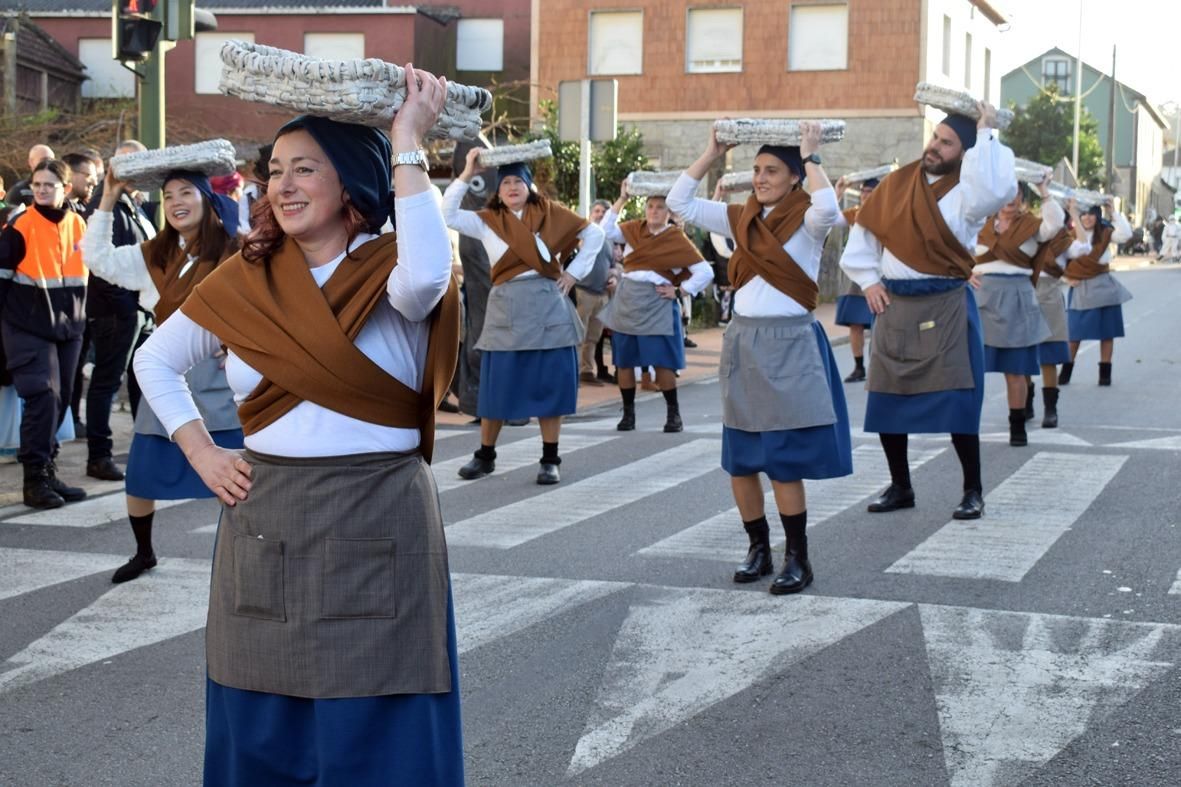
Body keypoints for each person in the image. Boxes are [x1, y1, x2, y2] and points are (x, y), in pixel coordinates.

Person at [132, 66, 463, 785]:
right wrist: (202, 452)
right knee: (264, 722)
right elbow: (154, 361)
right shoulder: (246, 278)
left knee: (378, 725)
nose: (281, 185)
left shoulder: (392, 270)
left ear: (350, 183)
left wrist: (406, 138)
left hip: (378, 510)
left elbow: (431, 273)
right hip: (266, 514)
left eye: (304, 169)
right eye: (274, 169)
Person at [668, 121, 852, 595]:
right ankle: (758, 549)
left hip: (790, 341)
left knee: (783, 458)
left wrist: (811, 157)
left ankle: (798, 558)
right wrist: (711, 153)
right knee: (743, 459)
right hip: (744, 343)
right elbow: (679, 203)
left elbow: (828, 208)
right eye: (756, 170)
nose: (762, 177)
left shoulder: (809, 219)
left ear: (793, 177)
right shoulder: (738, 217)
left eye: (772, 170)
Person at [840, 103, 1016, 520]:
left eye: (947, 142)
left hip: (947, 303)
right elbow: (864, 235)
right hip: (895, 303)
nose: (935, 146)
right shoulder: (896, 184)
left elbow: (996, 190)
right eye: (935, 137)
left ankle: (972, 490)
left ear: (965, 153)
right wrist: (868, 282)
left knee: (958, 400)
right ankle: (901, 486)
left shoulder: (970, 191)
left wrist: (987, 132)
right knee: (887, 398)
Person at [82, 160, 243, 583]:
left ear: (208, 200)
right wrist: (108, 197)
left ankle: (244, 556)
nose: (175, 203)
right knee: (141, 474)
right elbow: (97, 258)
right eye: (168, 196)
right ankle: (144, 551)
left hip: (221, 377)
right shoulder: (157, 253)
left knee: (238, 476)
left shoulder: (235, 250)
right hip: (166, 376)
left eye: (186, 193)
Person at [444, 147, 605, 485]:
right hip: (506, 308)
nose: (513, 187)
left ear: (530, 186)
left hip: (548, 304)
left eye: (519, 181)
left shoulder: (551, 214)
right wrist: (466, 173)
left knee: (549, 387)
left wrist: (574, 274)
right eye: (506, 183)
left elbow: (595, 234)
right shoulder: (487, 221)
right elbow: (449, 214)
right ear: (498, 191)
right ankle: (485, 455)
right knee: (496, 387)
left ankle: (550, 458)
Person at [0, 158, 89, 509]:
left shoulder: (78, 222)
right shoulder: (20, 226)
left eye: (48, 185)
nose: (40, 190)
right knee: (42, 397)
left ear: (65, 189)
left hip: (70, 327)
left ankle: (48, 471)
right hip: (26, 326)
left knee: (61, 400)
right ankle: (33, 480)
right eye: (37, 184)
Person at [601, 179, 713, 431]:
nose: (654, 211)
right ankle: (628, 415)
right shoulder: (633, 230)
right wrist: (622, 200)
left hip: (657, 302)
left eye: (660, 207)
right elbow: (605, 230)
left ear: (669, 212)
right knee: (624, 361)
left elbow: (705, 272)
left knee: (663, 362)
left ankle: (673, 414)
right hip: (628, 300)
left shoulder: (676, 238)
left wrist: (680, 290)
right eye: (650, 206)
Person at [74, 139, 157, 481]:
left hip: (137, 310)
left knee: (143, 382)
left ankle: (145, 449)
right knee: (107, 382)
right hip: (116, 310)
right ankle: (99, 456)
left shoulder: (134, 205)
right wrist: (128, 309)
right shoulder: (106, 204)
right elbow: (102, 263)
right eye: (126, 164)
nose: (133, 171)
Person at [972, 178, 1062, 446]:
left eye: (1016, 194)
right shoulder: (980, 225)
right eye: (1006, 193)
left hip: (1017, 297)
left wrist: (1044, 192)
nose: (1011, 199)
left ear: (1022, 198)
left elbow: (1055, 223)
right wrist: (965, 272)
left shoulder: (1032, 227)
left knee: (1016, 369)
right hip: (983, 298)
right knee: (972, 369)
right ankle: (967, 425)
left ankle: (1017, 425)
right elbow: (955, 248)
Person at [1027, 198, 1089, 428]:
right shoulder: (1028, 235)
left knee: (1049, 357)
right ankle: (1025, 402)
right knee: (1023, 354)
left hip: (1049, 297)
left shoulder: (1063, 242)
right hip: (1025, 294)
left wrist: (1074, 213)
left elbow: (1085, 246)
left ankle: (1050, 410)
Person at [1059, 204, 1133, 386]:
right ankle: (1065, 373)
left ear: (1097, 216)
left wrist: (1113, 211)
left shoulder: (1105, 233)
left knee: (1107, 333)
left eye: (1092, 214)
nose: (1087, 218)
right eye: (1083, 214)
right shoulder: (1069, 236)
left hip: (1104, 287)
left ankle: (1105, 374)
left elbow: (1126, 234)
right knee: (1074, 334)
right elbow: (1054, 261)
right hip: (1081, 287)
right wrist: (1065, 278)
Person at [832, 176, 880, 382]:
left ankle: (878, 366)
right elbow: (830, 218)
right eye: (863, 191)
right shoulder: (854, 214)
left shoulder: (886, 214)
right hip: (856, 276)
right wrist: (838, 193)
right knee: (855, 323)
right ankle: (859, 367)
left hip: (878, 273)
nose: (865, 195)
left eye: (870, 192)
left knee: (880, 322)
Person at [575, 199, 617, 386]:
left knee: (593, 336)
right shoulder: (582, 233)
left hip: (601, 294)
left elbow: (614, 266)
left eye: (604, 212)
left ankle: (586, 371)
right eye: (597, 211)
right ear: (591, 213)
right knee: (577, 334)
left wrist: (614, 275)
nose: (600, 215)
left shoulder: (610, 239)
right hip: (582, 291)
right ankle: (572, 372)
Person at [61, 152, 99, 219]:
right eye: (88, 176)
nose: (95, 183)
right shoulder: (55, 211)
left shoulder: (91, 209)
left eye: (95, 177)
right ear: (70, 174)